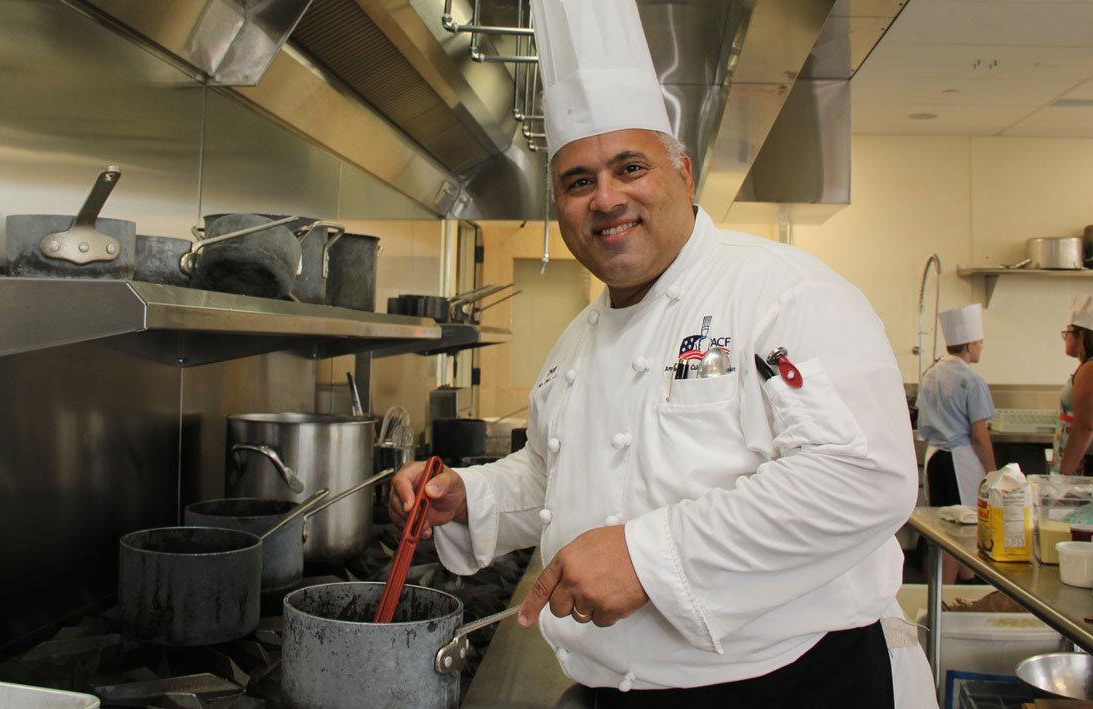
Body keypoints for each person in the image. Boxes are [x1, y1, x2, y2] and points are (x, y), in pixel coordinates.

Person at [389, 0, 935, 705]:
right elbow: (557, 474)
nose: (605, 198)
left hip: (791, 682)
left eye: (629, 167)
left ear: (681, 170)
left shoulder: (779, 292)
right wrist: (469, 497)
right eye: (578, 180)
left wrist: (648, 558)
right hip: (617, 684)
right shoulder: (577, 340)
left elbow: (861, 475)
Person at [914, 303, 996, 584]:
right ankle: (947, 595)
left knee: (942, 526)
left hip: (935, 459)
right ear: (971, 345)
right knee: (961, 533)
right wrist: (993, 473)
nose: (981, 348)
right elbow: (979, 435)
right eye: (981, 343)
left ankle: (956, 587)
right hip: (961, 462)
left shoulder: (930, 375)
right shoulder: (972, 381)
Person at [1053, 295, 1093, 475]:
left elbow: (1085, 426)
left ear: (1081, 335)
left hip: (1086, 462)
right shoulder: (1086, 367)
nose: (1065, 338)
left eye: (1067, 333)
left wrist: (1063, 477)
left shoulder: (1090, 369)